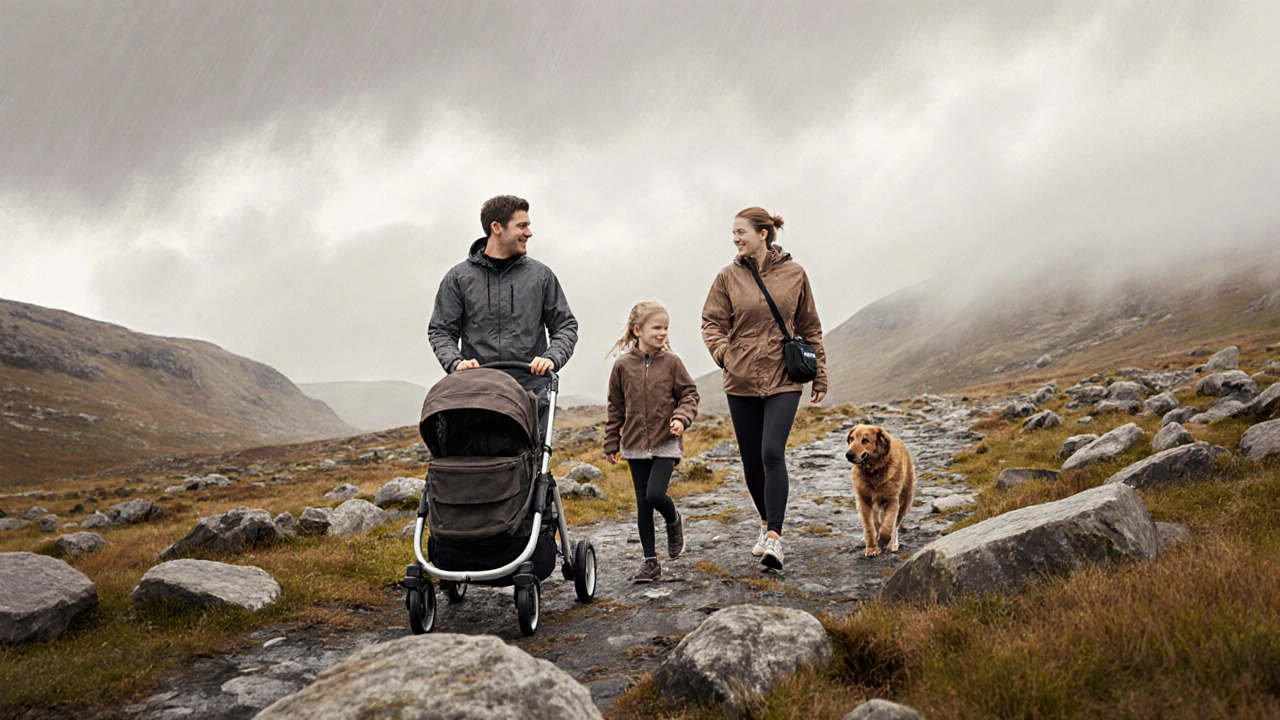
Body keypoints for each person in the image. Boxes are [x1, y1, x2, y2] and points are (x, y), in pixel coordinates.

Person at [701, 207, 826, 570]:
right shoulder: (727, 278)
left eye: (741, 232)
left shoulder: (794, 273)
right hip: (739, 380)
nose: (736, 239)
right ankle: (763, 522)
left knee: (772, 451)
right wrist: (724, 353)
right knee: (752, 461)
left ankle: (775, 536)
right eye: (734, 233)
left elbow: (810, 327)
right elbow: (711, 322)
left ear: (763, 234)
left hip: (784, 376)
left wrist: (820, 375)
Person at [428, 195, 578, 428]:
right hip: (477, 395)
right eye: (522, 225)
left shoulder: (541, 276)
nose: (529, 233)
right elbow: (441, 330)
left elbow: (565, 326)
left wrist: (551, 358)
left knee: (532, 465)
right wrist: (456, 363)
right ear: (496, 227)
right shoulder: (458, 278)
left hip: (531, 395)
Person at [603, 301, 700, 583]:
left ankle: (673, 519)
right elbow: (615, 406)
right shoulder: (622, 366)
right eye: (656, 327)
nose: (662, 333)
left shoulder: (672, 363)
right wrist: (612, 442)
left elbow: (689, 394)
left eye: (665, 328)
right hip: (633, 445)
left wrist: (681, 418)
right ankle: (650, 563)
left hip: (666, 441)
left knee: (655, 495)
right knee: (642, 504)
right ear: (638, 330)